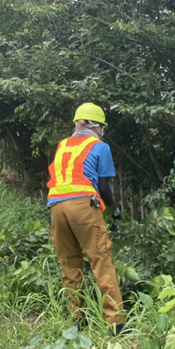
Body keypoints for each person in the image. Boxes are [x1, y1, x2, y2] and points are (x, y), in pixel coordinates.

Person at [47, 103, 125, 334]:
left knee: (70, 264)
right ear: (97, 126)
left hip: (56, 206)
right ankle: (116, 323)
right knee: (101, 261)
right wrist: (113, 208)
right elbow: (103, 186)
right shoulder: (99, 146)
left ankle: (77, 321)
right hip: (83, 205)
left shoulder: (62, 145)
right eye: (102, 127)